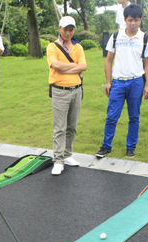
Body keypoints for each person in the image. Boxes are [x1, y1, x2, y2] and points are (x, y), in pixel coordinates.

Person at [95, 4, 148, 159]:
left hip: (136, 82)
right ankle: (106, 146)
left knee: (134, 116)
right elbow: (108, 61)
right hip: (118, 82)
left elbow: (147, 62)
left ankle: (130, 147)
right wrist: (108, 82)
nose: (133, 23)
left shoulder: (145, 38)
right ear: (125, 20)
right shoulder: (116, 37)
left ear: (140, 20)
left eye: (136, 20)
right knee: (112, 116)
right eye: (130, 20)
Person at [46, 16, 87, 176]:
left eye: (71, 29)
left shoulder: (78, 47)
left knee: (72, 126)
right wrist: (75, 67)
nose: (68, 32)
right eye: (65, 29)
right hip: (60, 90)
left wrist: (67, 68)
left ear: (74, 30)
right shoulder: (52, 47)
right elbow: (55, 65)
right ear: (59, 29)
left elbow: (84, 66)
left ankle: (68, 154)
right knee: (60, 128)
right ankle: (58, 159)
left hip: (76, 89)